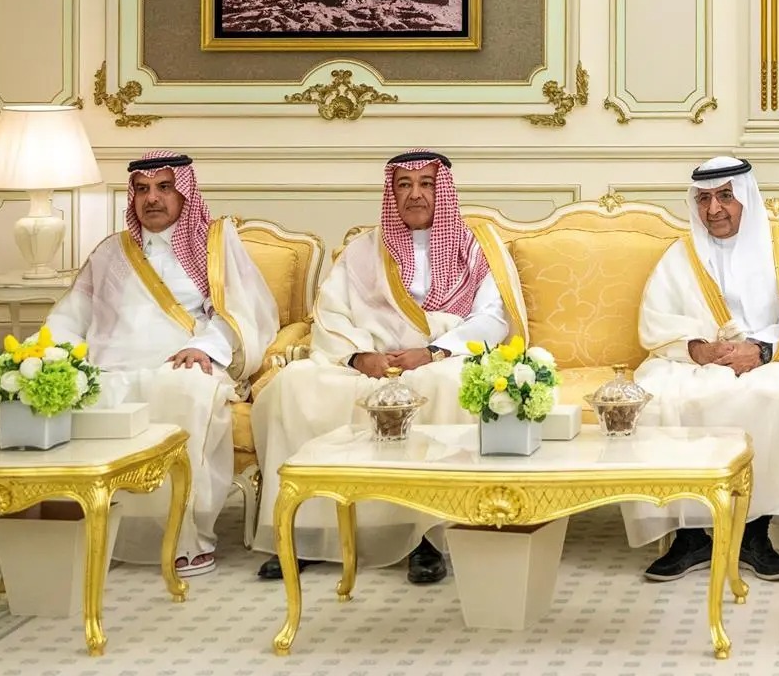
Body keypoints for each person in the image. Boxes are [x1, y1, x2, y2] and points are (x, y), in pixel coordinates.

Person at [252, 150, 524, 584]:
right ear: (391, 193)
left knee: (449, 386)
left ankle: (427, 537)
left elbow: (493, 318)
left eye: (426, 184)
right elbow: (331, 313)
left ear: (443, 191)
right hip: (368, 361)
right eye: (404, 185)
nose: (415, 194)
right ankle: (307, 535)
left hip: (441, 358)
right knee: (295, 385)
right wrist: (360, 356)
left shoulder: (475, 248)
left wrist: (433, 352)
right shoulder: (363, 251)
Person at [44, 150, 280, 577]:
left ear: (185, 193)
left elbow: (242, 311)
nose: (152, 198)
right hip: (109, 367)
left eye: (164, 187)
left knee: (185, 389)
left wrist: (206, 348)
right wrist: (51, 357)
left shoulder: (214, 243)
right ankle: (82, 528)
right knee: (61, 390)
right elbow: (71, 315)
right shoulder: (112, 251)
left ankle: (185, 535)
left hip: (183, 363)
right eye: (142, 189)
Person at [622, 157, 779, 583]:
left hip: (772, 358)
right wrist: (698, 349)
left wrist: (761, 351)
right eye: (704, 199)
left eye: (725, 196)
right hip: (696, 361)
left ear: (746, 198)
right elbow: (656, 320)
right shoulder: (681, 254)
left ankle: (756, 533)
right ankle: (690, 537)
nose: (714, 209)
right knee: (661, 396)